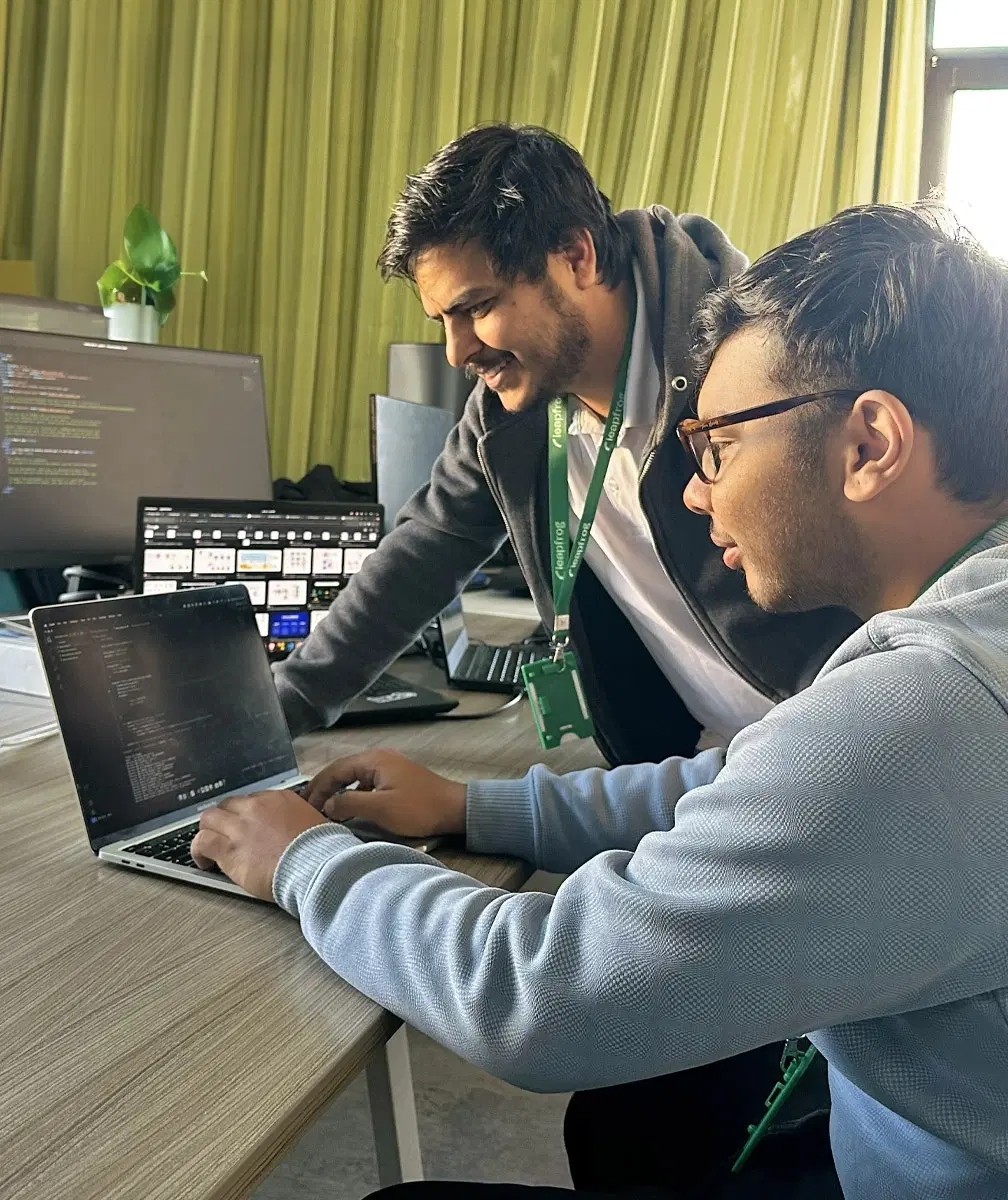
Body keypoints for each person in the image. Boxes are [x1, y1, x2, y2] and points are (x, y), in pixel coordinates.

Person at [194, 202, 1008, 1199]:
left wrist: (302, 858)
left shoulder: (924, 710)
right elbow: (767, 777)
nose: (698, 491)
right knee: (638, 1121)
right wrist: (476, 808)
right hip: (901, 1105)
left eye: (716, 447)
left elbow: (540, 997)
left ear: (870, 442)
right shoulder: (967, 629)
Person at [272, 123, 858, 767]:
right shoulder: (510, 413)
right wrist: (282, 709)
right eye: (443, 320)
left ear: (576, 256)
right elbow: (422, 554)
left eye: (479, 306)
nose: (457, 350)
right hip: (688, 771)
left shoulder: (762, 364)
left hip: (835, 755)